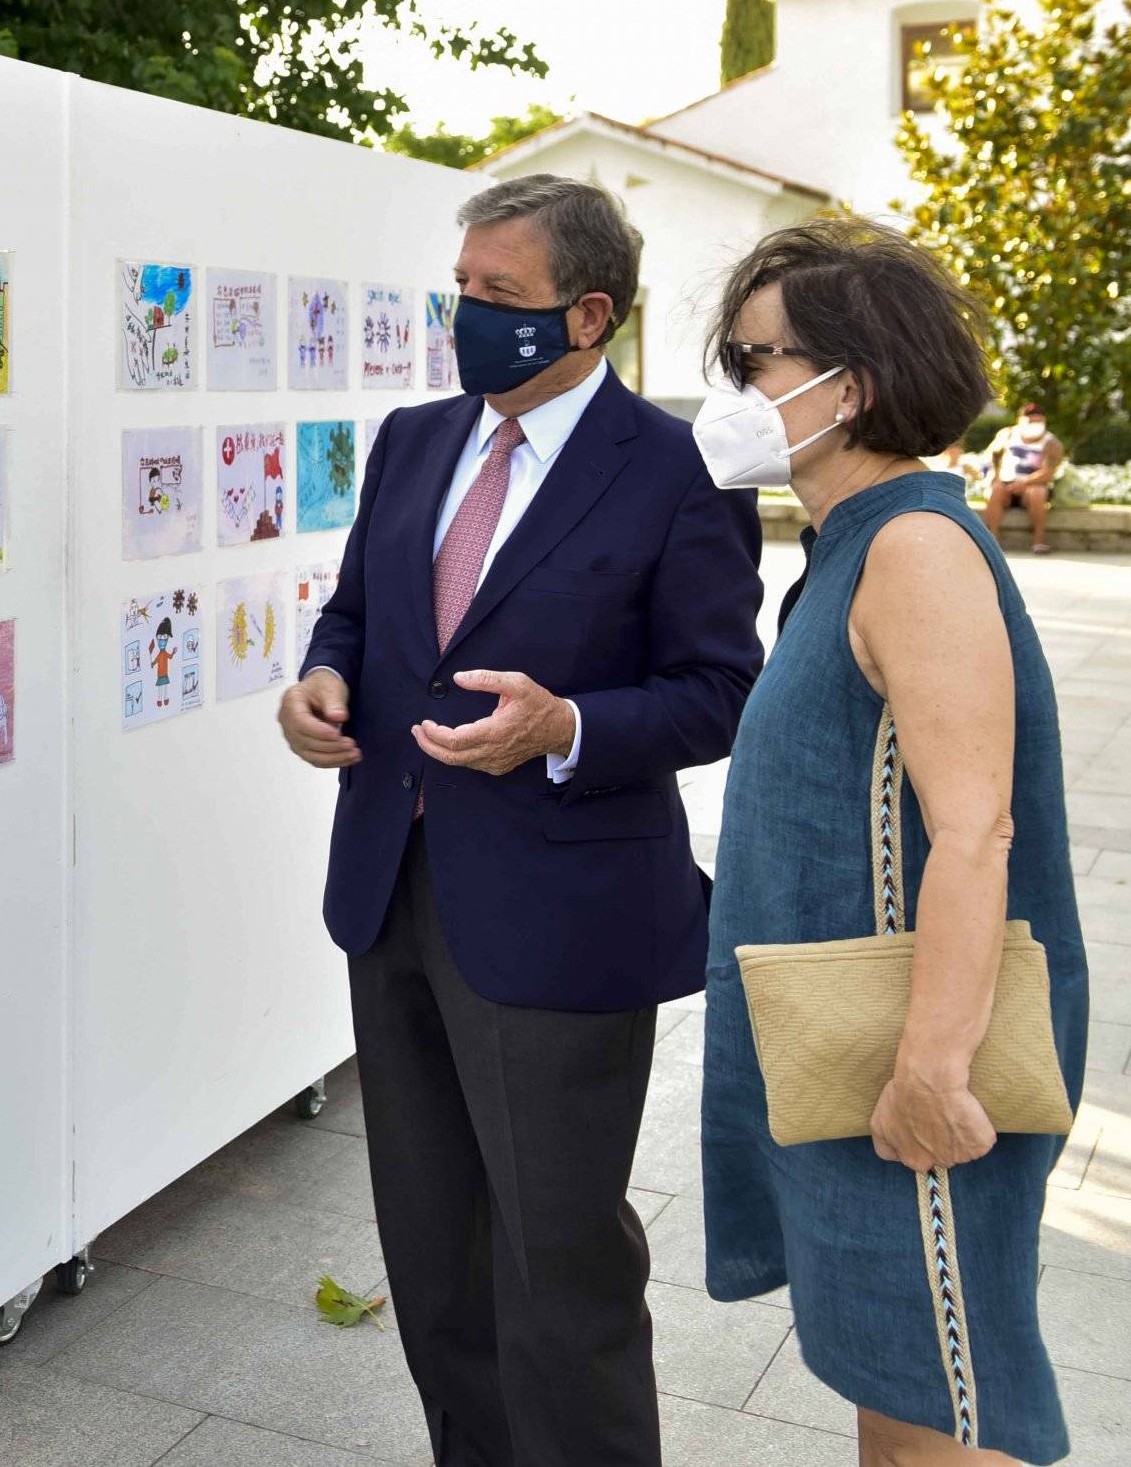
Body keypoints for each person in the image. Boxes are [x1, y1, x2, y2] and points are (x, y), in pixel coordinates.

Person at [282, 175, 764, 1466]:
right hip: (391, 886)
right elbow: (359, 617)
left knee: (561, 1267)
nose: (466, 315)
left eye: (499, 295)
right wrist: (321, 681)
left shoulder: (674, 471)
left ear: (588, 313)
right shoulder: (414, 437)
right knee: (433, 1255)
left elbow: (722, 690)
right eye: (463, 287)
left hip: (565, 917)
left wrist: (568, 728)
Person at [694, 220, 1087, 1465]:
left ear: (844, 385)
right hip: (850, 1050)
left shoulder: (913, 548)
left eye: (752, 362)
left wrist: (933, 1070)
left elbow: (974, 832)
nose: (735, 392)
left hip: (912, 1059)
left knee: (940, 1402)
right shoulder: (853, 544)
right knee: (894, 1375)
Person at [978, 404, 1067, 555]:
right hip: (1006, 483)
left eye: (1039, 422)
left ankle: (1039, 541)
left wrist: (1024, 483)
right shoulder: (1006, 435)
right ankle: (993, 538)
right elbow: (992, 457)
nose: (1035, 425)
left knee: (1037, 492)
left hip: (1032, 486)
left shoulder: (1051, 443)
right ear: (1020, 421)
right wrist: (995, 477)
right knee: (995, 490)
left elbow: (1048, 472)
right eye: (1030, 421)